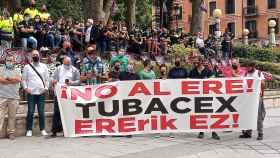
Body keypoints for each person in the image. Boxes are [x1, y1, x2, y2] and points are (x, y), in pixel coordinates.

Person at [189, 57, 220, 140]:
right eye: (194, 62)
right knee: (200, 114)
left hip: (208, 95)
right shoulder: (192, 71)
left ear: (201, 62)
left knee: (210, 114)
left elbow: (214, 77)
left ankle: (214, 132)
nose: (195, 64)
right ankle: (201, 131)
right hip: (197, 96)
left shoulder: (208, 70)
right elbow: (187, 81)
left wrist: (208, 79)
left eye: (197, 62)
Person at [49, 56, 80, 138]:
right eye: (66, 63)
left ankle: (67, 130)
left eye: (68, 63)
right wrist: (53, 80)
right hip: (59, 94)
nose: (67, 65)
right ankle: (54, 131)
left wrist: (71, 82)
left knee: (68, 112)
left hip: (69, 95)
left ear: (71, 62)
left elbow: (78, 81)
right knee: (56, 112)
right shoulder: (58, 69)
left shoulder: (74, 70)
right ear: (63, 62)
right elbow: (52, 78)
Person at [22, 50, 49, 137]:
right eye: (33, 55)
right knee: (30, 112)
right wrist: (26, 88)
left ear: (39, 56)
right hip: (31, 93)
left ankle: (42, 129)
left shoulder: (44, 66)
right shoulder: (27, 67)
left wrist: (46, 88)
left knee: (41, 112)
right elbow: (23, 79)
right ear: (31, 56)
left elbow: (47, 79)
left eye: (36, 54)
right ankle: (29, 130)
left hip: (41, 92)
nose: (35, 56)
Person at [239, 61, 266, 140]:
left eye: (248, 67)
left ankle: (260, 133)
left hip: (257, 97)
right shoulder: (246, 74)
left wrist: (262, 94)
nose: (247, 69)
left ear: (253, 67)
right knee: (248, 114)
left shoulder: (258, 73)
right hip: (248, 98)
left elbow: (263, 84)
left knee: (258, 116)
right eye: (246, 67)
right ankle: (248, 132)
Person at [0, 55, 22, 140]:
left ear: (14, 61)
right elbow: (1, 80)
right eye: (7, 60)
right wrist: (12, 80)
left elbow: (18, 79)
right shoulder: (1, 69)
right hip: (2, 96)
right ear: (5, 61)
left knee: (12, 116)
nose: (9, 62)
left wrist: (7, 79)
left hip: (14, 97)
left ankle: (11, 133)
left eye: (11, 60)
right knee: (0, 116)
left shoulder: (18, 70)